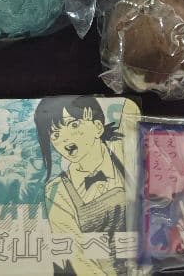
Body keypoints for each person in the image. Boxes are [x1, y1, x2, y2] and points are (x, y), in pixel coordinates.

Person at [35, 96, 137, 276]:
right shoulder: (56, 190)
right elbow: (78, 257)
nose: (64, 139)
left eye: (74, 125)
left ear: (97, 127)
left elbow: (131, 109)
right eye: (55, 135)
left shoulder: (122, 152)